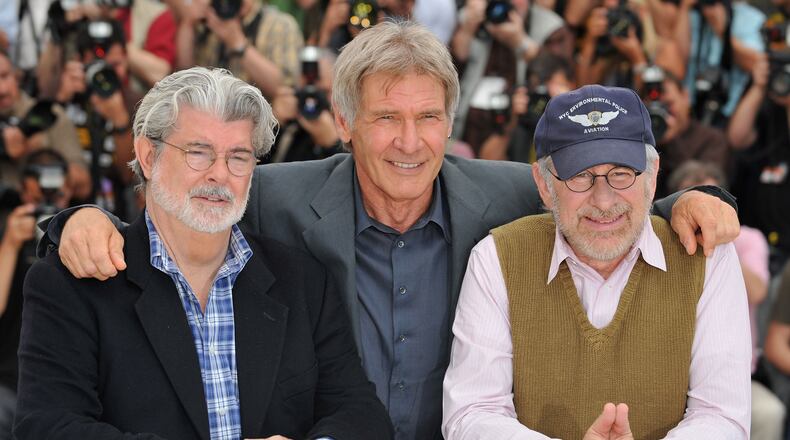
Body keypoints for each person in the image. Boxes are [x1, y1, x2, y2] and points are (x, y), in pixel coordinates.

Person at [44, 21, 740, 440]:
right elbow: (190, 204)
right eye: (385, 118)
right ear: (344, 123)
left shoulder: (502, 195)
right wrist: (79, 219)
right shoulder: (278, 195)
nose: (410, 143)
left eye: (429, 118)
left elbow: (600, 196)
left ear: (451, 123)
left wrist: (687, 199)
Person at [13, 66, 391, 440]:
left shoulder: (303, 280)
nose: (219, 174)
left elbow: (358, 412)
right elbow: (48, 427)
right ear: (148, 155)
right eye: (199, 152)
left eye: (238, 156)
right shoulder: (71, 284)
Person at [442, 85, 751, 439]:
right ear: (544, 185)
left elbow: (723, 416)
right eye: (580, 176)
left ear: (652, 177)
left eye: (622, 173)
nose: (603, 201)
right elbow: (471, 412)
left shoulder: (706, 257)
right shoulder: (497, 257)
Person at [0, 149, 72, 439]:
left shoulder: (81, 229)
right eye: (37, 195)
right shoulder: (8, 228)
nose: (46, 201)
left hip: (67, 385)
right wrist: (9, 244)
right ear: (22, 191)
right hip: (9, 382)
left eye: (55, 194)